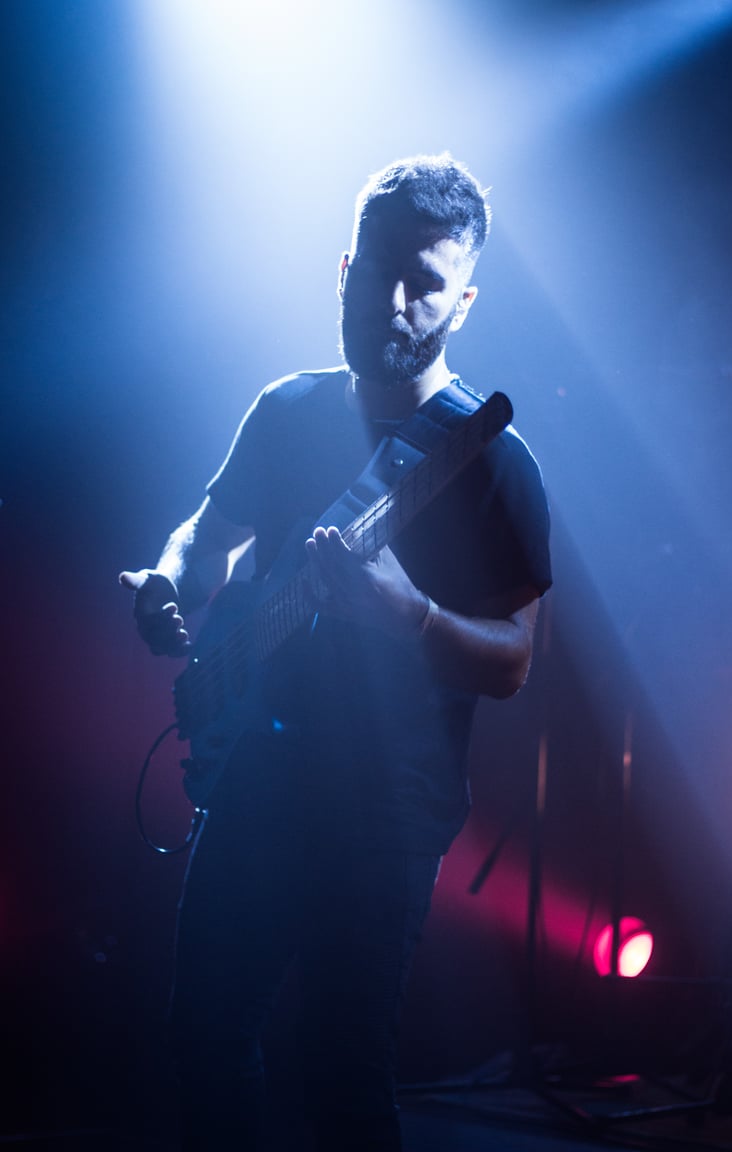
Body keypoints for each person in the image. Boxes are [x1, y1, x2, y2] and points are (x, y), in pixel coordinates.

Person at [120, 154, 552, 1151]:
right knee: (203, 1038)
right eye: (378, 271)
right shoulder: (285, 409)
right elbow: (206, 534)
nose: (394, 301)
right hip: (255, 773)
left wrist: (409, 616)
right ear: (346, 267)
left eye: (425, 283)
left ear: (464, 302)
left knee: (341, 1075)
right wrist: (169, 582)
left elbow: (514, 662)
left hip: (385, 811)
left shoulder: (488, 456)